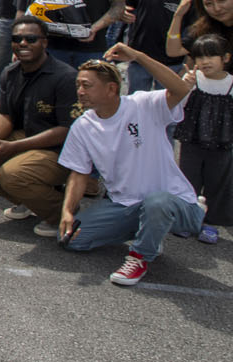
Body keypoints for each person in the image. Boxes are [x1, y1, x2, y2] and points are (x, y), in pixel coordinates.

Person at [58, 46, 203, 287]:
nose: (80, 91)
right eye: (78, 85)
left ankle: (139, 256)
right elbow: (79, 173)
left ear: (111, 88)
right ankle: (150, 232)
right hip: (126, 205)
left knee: (157, 203)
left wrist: (138, 56)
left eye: (87, 85)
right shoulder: (82, 127)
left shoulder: (143, 104)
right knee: (72, 240)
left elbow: (180, 89)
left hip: (173, 202)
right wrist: (67, 212)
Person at [0, 17, 81, 236]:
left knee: (12, 174)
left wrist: (15, 147)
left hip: (61, 149)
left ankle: (61, 215)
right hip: (25, 136)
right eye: (17, 39)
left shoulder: (66, 77)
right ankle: (29, 200)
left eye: (31, 39)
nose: (23, 43)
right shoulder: (10, 72)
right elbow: (4, 114)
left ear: (44, 42)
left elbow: (66, 130)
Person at [171, 34, 232, 244]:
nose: (205, 61)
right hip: (192, 140)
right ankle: (186, 219)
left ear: (226, 58)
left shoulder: (231, 83)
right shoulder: (193, 79)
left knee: (218, 182)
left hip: (222, 144)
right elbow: (176, 104)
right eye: (199, 57)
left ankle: (210, 223)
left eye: (211, 56)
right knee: (188, 180)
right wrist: (185, 87)